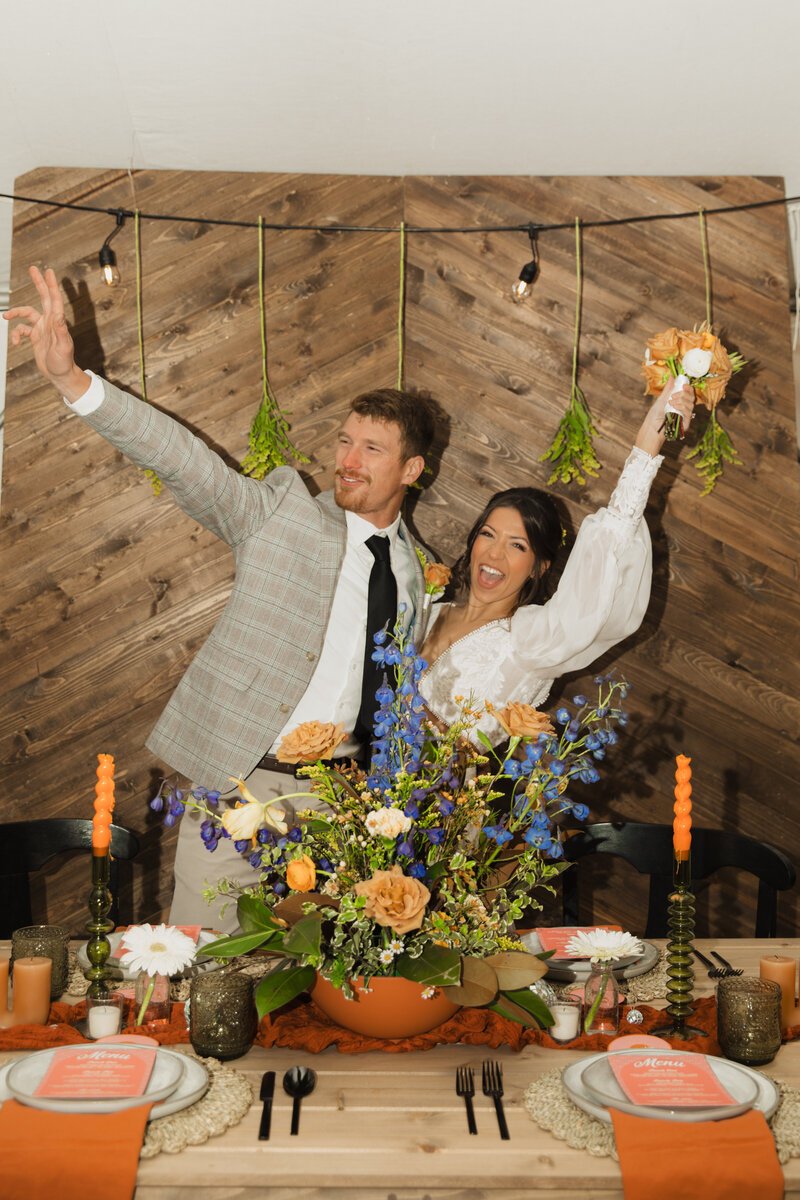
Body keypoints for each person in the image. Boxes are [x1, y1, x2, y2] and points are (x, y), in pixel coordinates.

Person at [4, 266, 434, 930]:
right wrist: (72, 381)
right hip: (243, 782)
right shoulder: (284, 510)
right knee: (204, 961)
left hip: (346, 800)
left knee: (324, 973)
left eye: (372, 448)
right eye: (345, 440)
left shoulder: (414, 570)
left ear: (411, 470)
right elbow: (185, 462)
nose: (348, 458)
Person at [418, 383, 696, 744]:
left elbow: (605, 560)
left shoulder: (529, 642)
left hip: (436, 799)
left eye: (517, 545)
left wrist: (648, 445)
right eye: (488, 534)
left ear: (540, 566)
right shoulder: (428, 611)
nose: (494, 554)